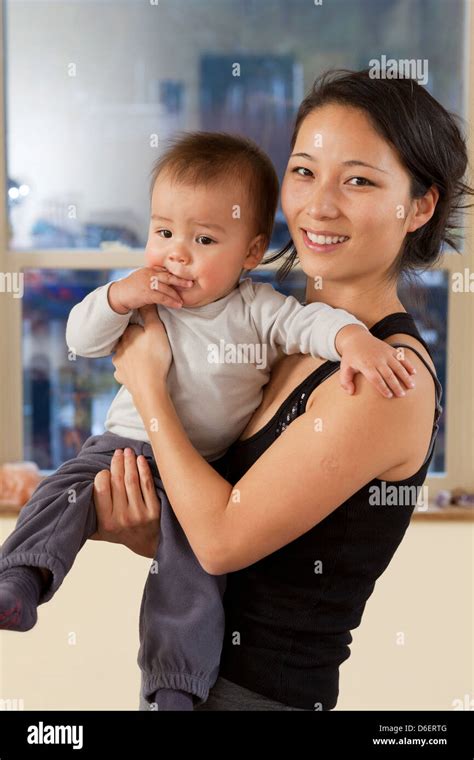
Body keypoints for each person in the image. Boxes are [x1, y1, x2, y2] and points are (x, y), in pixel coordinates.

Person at [93, 69, 473, 711]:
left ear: (420, 205)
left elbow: (221, 538)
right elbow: (232, 536)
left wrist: (147, 388)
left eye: (359, 180)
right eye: (303, 171)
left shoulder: (383, 377)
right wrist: (148, 530)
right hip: (191, 680)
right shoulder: (286, 336)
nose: (318, 206)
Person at [0, 131, 415, 711]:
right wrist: (119, 297)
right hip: (121, 445)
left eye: (203, 239)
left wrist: (354, 341)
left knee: (189, 583)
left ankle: (173, 684)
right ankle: (22, 578)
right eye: (164, 232)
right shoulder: (146, 298)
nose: (176, 253)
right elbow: (81, 336)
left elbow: (312, 323)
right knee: (59, 496)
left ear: (249, 253)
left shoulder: (256, 309)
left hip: (198, 471)